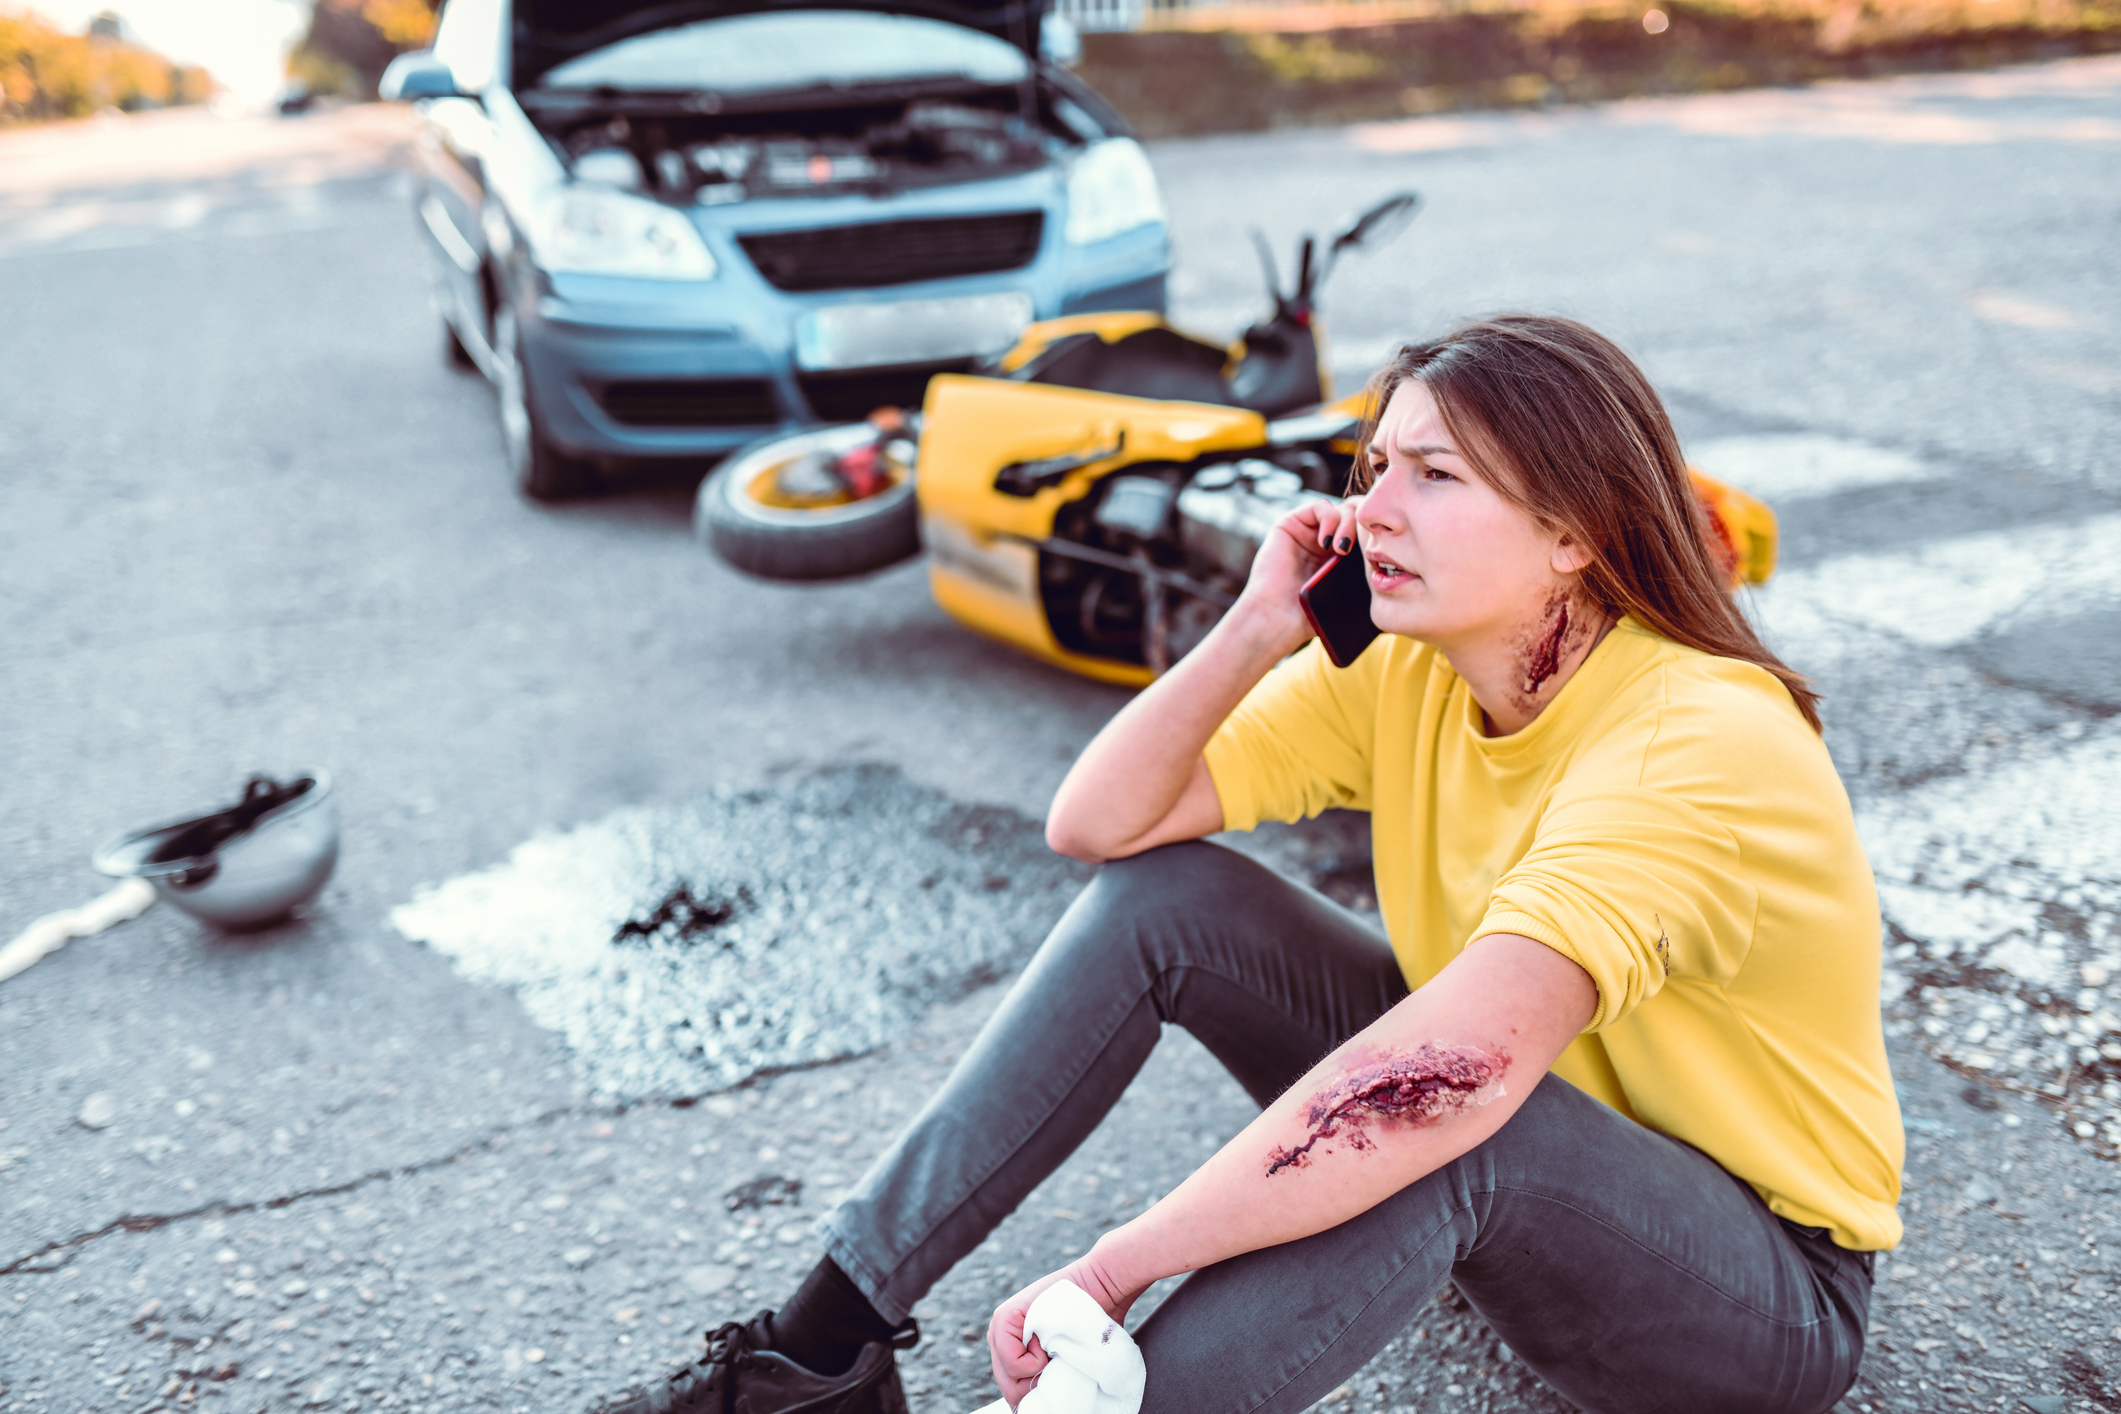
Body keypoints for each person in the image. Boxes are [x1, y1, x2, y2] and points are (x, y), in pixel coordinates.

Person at [593, 315, 1901, 1414]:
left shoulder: (1692, 734)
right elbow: (1097, 824)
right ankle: (813, 1352)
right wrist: (1254, 624)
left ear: (1573, 532)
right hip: (1528, 1161)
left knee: (1440, 1107)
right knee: (1175, 898)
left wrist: (1113, 1269)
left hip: (1755, 1292)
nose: (1367, 506)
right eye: (1373, 463)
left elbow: (1444, 1082)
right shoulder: (1409, 666)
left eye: (1431, 477)